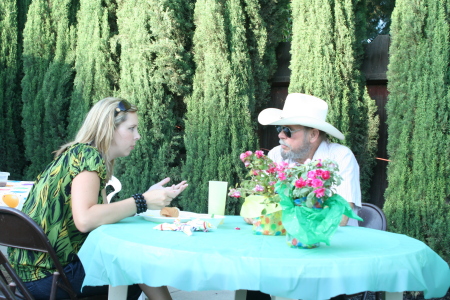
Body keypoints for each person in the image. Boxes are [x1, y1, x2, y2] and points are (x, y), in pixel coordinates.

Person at [8, 97, 187, 300]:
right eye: (131, 128)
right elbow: (86, 220)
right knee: (138, 265)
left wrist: (148, 196)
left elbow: (101, 221)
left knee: (134, 264)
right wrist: (142, 201)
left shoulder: (79, 154)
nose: (138, 136)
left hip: (27, 275)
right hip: (48, 278)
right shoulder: (88, 156)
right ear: (109, 129)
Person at [245, 93, 362, 300]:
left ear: (314, 135)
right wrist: (256, 211)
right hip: (280, 253)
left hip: (326, 260)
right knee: (252, 282)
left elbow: (342, 218)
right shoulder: (274, 155)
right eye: (279, 129)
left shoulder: (340, 157)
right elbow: (258, 207)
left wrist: (279, 214)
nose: (281, 135)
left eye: (288, 130)